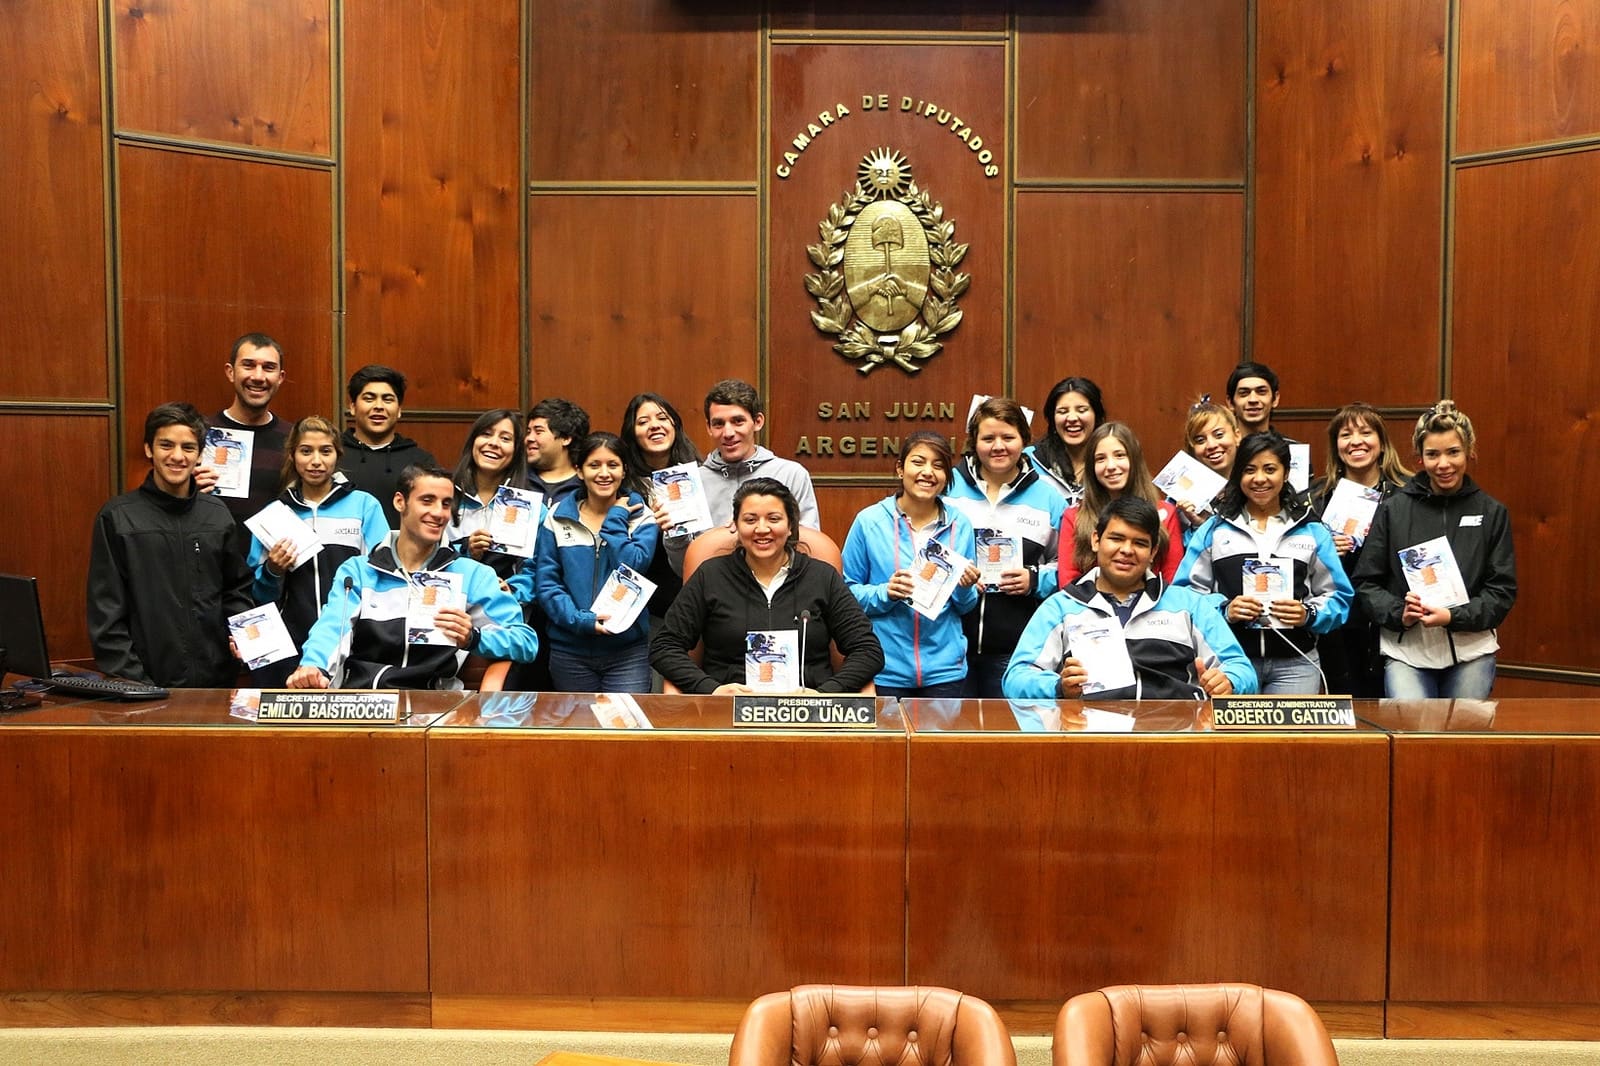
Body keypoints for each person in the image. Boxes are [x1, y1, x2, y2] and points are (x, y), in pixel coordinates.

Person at [286, 464, 537, 690]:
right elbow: (331, 629)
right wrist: (312, 667)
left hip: (434, 707)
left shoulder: (473, 575)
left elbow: (525, 642)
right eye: (427, 501)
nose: (439, 513)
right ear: (400, 502)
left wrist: (474, 637)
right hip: (366, 702)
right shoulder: (358, 571)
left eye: (446, 503)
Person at [1004, 497, 1256, 700]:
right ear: (1096, 541)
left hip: (1176, 738)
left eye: (1139, 543)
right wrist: (1059, 687)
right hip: (1089, 738)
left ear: (1153, 551)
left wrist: (1229, 681)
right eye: (1116, 538)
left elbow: (1242, 669)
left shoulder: (1189, 605)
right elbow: (1016, 678)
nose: (1126, 550)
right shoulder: (1061, 607)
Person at [651, 478, 882, 694]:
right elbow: (665, 647)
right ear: (736, 526)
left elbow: (868, 650)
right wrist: (712, 689)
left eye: (774, 519)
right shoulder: (710, 575)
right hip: (728, 712)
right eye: (750, 520)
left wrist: (823, 694)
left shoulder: (822, 576)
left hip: (806, 714)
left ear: (790, 525)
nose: (762, 529)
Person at [1354, 401, 1516, 699]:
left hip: (1471, 652)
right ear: (1419, 459)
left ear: (1469, 452)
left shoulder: (1492, 512)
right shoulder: (1393, 510)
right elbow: (1366, 583)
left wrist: (1453, 616)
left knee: (1462, 742)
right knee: (1412, 740)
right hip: (1407, 652)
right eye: (1433, 454)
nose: (1443, 464)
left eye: (1453, 452)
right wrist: (1398, 611)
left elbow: (1501, 591)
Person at [87, 402, 253, 687]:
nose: (177, 456)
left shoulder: (217, 515)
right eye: (166, 445)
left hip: (215, 685)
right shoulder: (118, 517)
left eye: (188, 448)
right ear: (149, 449)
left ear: (200, 454)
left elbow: (236, 590)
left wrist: (243, 637)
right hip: (144, 686)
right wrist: (137, 682)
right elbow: (106, 613)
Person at [1173, 432, 1352, 694]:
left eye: (1270, 469)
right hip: (1231, 662)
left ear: (1286, 473)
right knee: (1235, 736)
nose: (1259, 479)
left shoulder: (1312, 530)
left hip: (1296, 664)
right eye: (1249, 470)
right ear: (1238, 475)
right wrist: (1224, 609)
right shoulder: (1214, 530)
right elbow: (1185, 594)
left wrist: (1308, 614)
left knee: (1288, 737)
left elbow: (1339, 596)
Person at [246, 416, 389, 686]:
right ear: (292, 456)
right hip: (291, 646)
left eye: (325, 451)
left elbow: (383, 574)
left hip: (356, 644)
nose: (315, 461)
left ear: (337, 455)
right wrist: (272, 571)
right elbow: (258, 596)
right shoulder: (274, 515)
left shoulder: (364, 506)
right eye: (306, 451)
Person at [842, 431, 981, 698]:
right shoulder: (869, 522)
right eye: (918, 462)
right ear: (900, 469)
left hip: (945, 671)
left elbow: (965, 606)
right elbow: (847, 594)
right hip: (884, 667)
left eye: (938, 465)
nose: (928, 472)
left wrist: (965, 588)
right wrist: (885, 593)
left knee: (939, 741)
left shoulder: (959, 524)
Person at [945, 396, 1065, 697]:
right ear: (974, 442)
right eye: (988, 438)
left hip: (1016, 648)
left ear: (1024, 440)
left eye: (1008, 437)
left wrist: (1035, 578)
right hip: (948, 644)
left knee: (1005, 736)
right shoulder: (948, 489)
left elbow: (1067, 565)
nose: (998, 446)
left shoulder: (1049, 499)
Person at [524, 432, 659, 692]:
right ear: (579, 471)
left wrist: (617, 518)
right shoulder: (557, 517)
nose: (604, 473)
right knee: (579, 729)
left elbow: (633, 568)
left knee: (625, 729)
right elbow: (547, 583)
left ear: (624, 470)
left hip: (627, 651)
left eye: (612, 465)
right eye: (594, 465)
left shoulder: (642, 518)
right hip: (569, 649)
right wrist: (580, 620)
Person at [1307, 402, 1412, 697]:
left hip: (1392, 617)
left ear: (1381, 442)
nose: (1356, 442)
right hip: (1337, 624)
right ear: (1335, 445)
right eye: (1345, 435)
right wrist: (1324, 553)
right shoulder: (1315, 498)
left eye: (1365, 432)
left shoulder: (1408, 494)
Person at [659, 380, 819, 572]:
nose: (728, 433)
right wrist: (675, 537)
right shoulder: (689, 484)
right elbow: (682, 569)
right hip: (713, 593)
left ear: (758, 422)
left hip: (780, 589)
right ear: (709, 427)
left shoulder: (791, 474)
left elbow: (809, 550)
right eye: (718, 424)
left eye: (738, 421)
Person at [1059, 422, 1183, 587]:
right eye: (1101, 458)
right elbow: (1068, 583)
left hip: (1155, 609)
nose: (1111, 466)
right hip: (1088, 609)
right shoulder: (1075, 516)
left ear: (1134, 459)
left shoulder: (1165, 513)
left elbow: (1173, 582)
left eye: (1119, 455)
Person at [618, 392, 700, 633]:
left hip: (697, 599)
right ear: (632, 432)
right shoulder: (621, 489)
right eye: (643, 422)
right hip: (644, 610)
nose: (654, 425)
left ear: (674, 424)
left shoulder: (702, 476)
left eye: (662, 418)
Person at [202, 332, 292, 529]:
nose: (258, 376)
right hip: (210, 555)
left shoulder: (294, 440)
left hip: (272, 557)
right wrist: (187, 489)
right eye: (248, 365)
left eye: (268, 368)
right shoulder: (201, 433)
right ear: (230, 372)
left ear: (280, 377)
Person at [338, 365, 435, 528]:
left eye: (387, 399)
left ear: (399, 410)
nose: (378, 406)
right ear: (353, 407)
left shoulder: (420, 461)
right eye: (369, 398)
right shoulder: (333, 455)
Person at [447, 409, 530, 582]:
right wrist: (467, 550)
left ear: (516, 451)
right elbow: (426, 555)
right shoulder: (443, 496)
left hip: (505, 604)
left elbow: (534, 570)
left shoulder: (528, 507)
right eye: (486, 434)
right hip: (450, 600)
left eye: (505, 438)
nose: (494, 443)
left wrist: (512, 590)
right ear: (473, 442)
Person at [1028, 376, 1105, 504]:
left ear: (1097, 415)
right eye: (1063, 411)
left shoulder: (1111, 462)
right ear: (1052, 418)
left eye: (1082, 410)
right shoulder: (1029, 460)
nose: (1072, 418)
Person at [1175, 398, 1242, 532]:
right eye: (1200, 440)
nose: (1211, 445)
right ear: (1192, 448)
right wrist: (1200, 526)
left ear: (1237, 436)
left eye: (1219, 435)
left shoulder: (1255, 484)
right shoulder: (1181, 495)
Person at [525, 397, 590, 501]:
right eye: (528, 432)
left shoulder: (587, 487)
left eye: (538, 432)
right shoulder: (515, 478)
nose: (529, 438)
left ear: (566, 438)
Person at [1227, 361, 1283, 436]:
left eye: (1261, 392)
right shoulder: (1221, 447)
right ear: (1230, 402)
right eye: (1244, 393)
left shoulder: (1290, 447)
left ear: (1275, 399)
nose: (1253, 400)